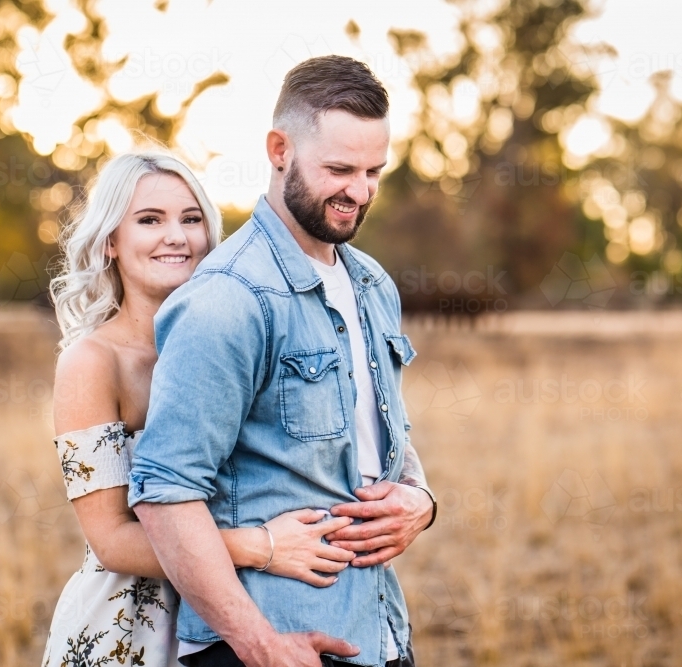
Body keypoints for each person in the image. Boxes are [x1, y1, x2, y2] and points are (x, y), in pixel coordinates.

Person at [128, 56, 436, 667]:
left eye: (375, 171)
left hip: (378, 634)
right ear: (278, 150)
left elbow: (384, 441)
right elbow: (165, 493)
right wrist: (258, 642)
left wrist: (422, 503)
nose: (360, 191)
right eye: (340, 170)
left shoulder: (373, 285)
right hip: (268, 645)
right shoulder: (228, 298)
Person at [41, 151, 358, 667]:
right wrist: (261, 546)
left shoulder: (227, 339)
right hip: (134, 626)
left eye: (191, 220)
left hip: (233, 613)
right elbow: (112, 542)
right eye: (150, 220)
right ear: (109, 245)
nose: (177, 237)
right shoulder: (92, 363)